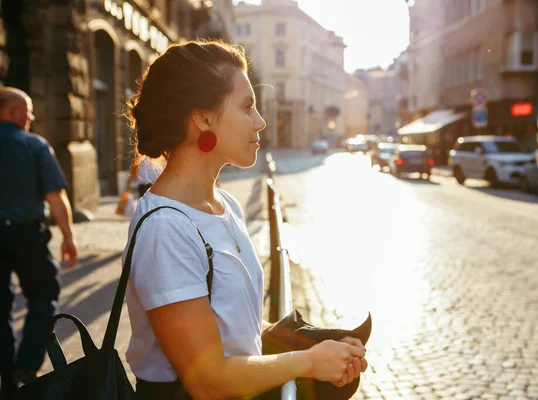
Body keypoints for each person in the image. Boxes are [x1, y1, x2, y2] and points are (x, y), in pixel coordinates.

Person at [124, 40, 368, 400]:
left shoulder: (224, 204)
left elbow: (232, 326)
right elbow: (208, 381)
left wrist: (312, 340)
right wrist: (308, 362)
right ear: (203, 118)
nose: (261, 121)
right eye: (247, 106)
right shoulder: (166, 228)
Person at [0, 87, 78, 398]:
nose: (32, 117)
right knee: (44, 294)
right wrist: (68, 237)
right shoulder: (34, 145)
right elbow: (55, 196)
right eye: (28, 110)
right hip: (26, 235)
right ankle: (26, 366)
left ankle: (5, 373)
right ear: (14, 113)